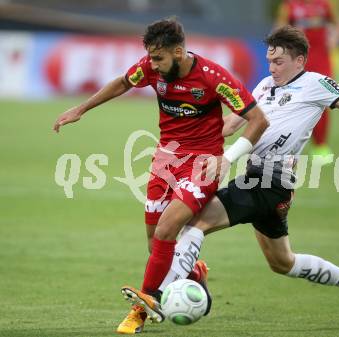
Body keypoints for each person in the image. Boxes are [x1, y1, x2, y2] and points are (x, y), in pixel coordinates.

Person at [124, 25, 339, 326]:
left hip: (271, 184)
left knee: (193, 225)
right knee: (283, 262)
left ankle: (155, 298)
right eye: (269, 61)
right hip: (258, 181)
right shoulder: (264, 86)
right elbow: (233, 123)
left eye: (278, 62)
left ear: (299, 60)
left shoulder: (317, 84)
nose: (272, 68)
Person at [53, 18, 269, 334]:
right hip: (165, 161)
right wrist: (81, 109)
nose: (151, 64)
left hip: (202, 164)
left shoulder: (213, 77)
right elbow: (123, 82)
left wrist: (227, 158)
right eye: (150, 57)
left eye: (158, 58)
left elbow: (258, 120)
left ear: (178, 52)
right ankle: (194, 274)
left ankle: (142, 308)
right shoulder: (153, 68)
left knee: (168, 229)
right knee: (156, 244)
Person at [276, 0, 339, 162]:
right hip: (298, 60)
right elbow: (278, 31)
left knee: (323, 100)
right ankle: (287, 145)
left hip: (322, 60)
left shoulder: (324, 5)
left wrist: (334, 40)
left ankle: (320, 147)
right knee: (292, 101)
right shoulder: (289, 6)